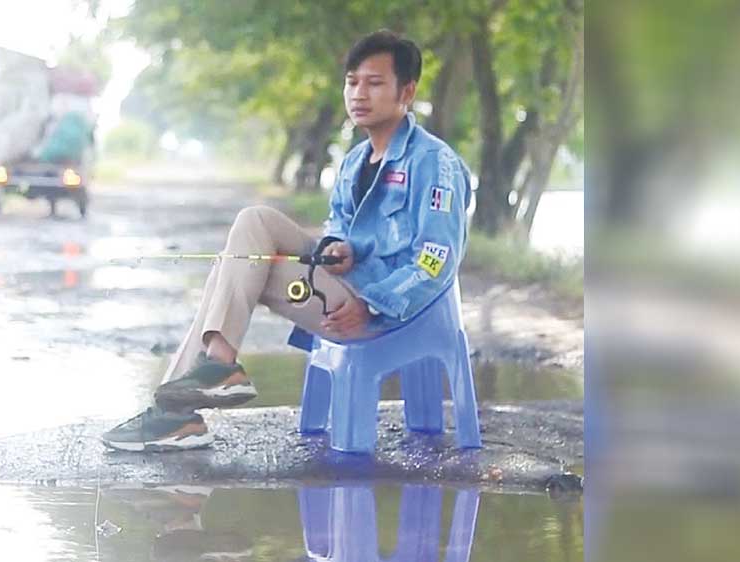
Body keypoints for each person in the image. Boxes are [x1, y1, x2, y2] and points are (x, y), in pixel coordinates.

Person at [101, 29, 473, 452]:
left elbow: (436, 258)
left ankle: (181, 407)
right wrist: (339, 247)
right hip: (344, 280)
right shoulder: (355, 160)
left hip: (379, 307)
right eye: (352, 82)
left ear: (406, 91)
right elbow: (340, 225)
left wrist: (372, 305)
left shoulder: (433, 162)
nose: (358, 94)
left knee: (235, 265)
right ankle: (212, 374)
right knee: (253, 222)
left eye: (374, 83)